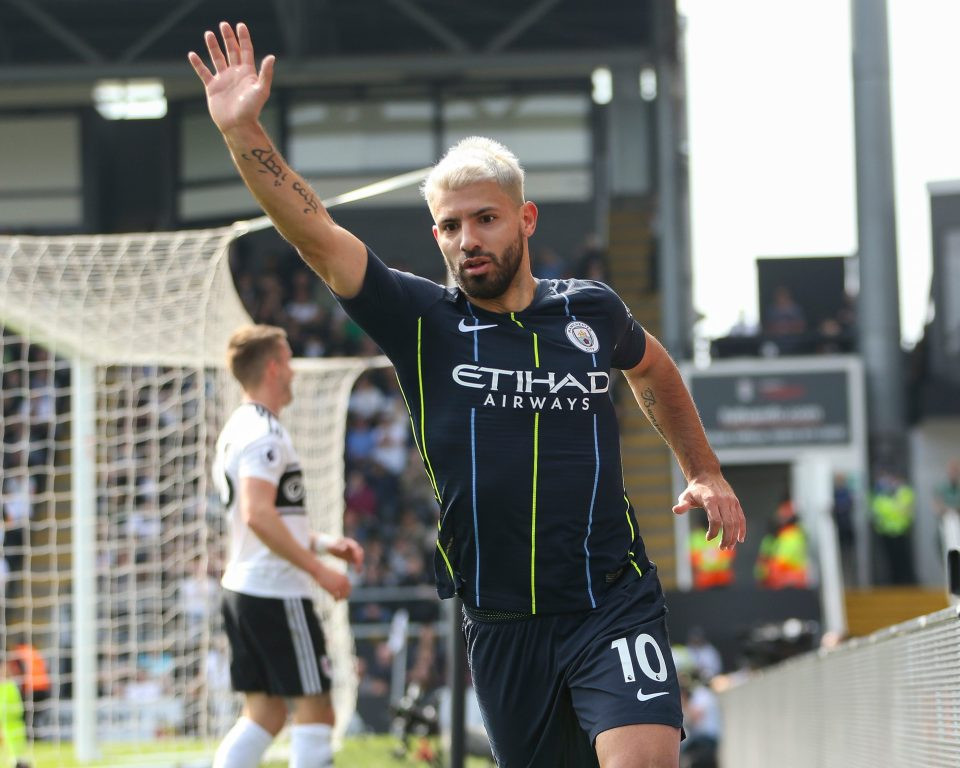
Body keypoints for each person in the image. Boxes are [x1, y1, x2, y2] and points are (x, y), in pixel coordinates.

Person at [190, 24, 746, 767]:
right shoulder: (422, 321)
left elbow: (652, 370)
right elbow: (315, 234)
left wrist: (702, 468)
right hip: (501, 621)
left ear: (525, 218)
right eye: (451, 226)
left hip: (610, 600)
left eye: (485, 218)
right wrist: (243, 133)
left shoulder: (591, 311)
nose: (468, 239)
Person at [210, 324, 364, 768]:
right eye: (290, 360)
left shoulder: (237, 428)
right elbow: (257, 514)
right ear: (275, 366)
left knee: (266, 713)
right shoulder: (264, 435)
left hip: (243, 587)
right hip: (276, 591)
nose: (295, 372)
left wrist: (324, 544)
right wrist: (319, 571)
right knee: (317, 709)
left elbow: (268, 516)